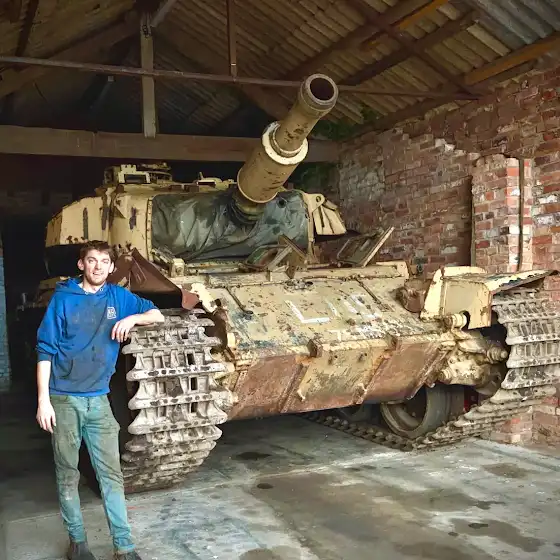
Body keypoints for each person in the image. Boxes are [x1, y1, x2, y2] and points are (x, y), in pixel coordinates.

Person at [35, 240, 165, 560]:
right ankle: (78, 543)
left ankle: (124, 547)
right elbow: (45, 351)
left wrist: (132, 319)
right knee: (68, 472)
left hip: (99, 401)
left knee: (111, 474)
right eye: (91, 261)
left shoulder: (118, 297)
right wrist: (43, 401)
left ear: (111, 267)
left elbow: (157, 315)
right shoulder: (63, 299)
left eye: (104, 262)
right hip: (64, 399)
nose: (97, 267)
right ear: (82, 265)